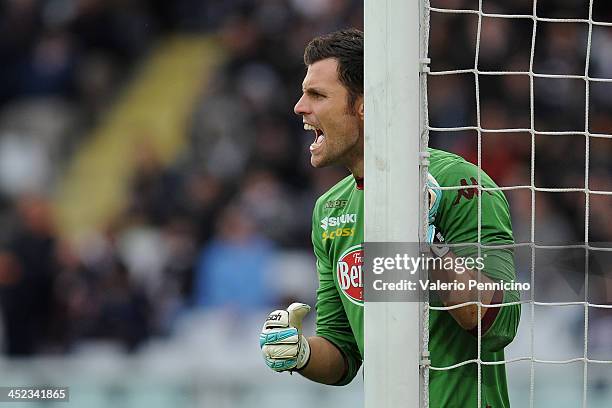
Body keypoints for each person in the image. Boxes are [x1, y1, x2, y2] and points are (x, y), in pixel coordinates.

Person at [259, 28, 520, 408]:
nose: (299, 106)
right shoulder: (329, 209)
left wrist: (428, 246)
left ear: (364, 104)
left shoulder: (459, 184)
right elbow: (343, 353)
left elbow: (498, 323)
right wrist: (300, 353)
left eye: (316, 94)